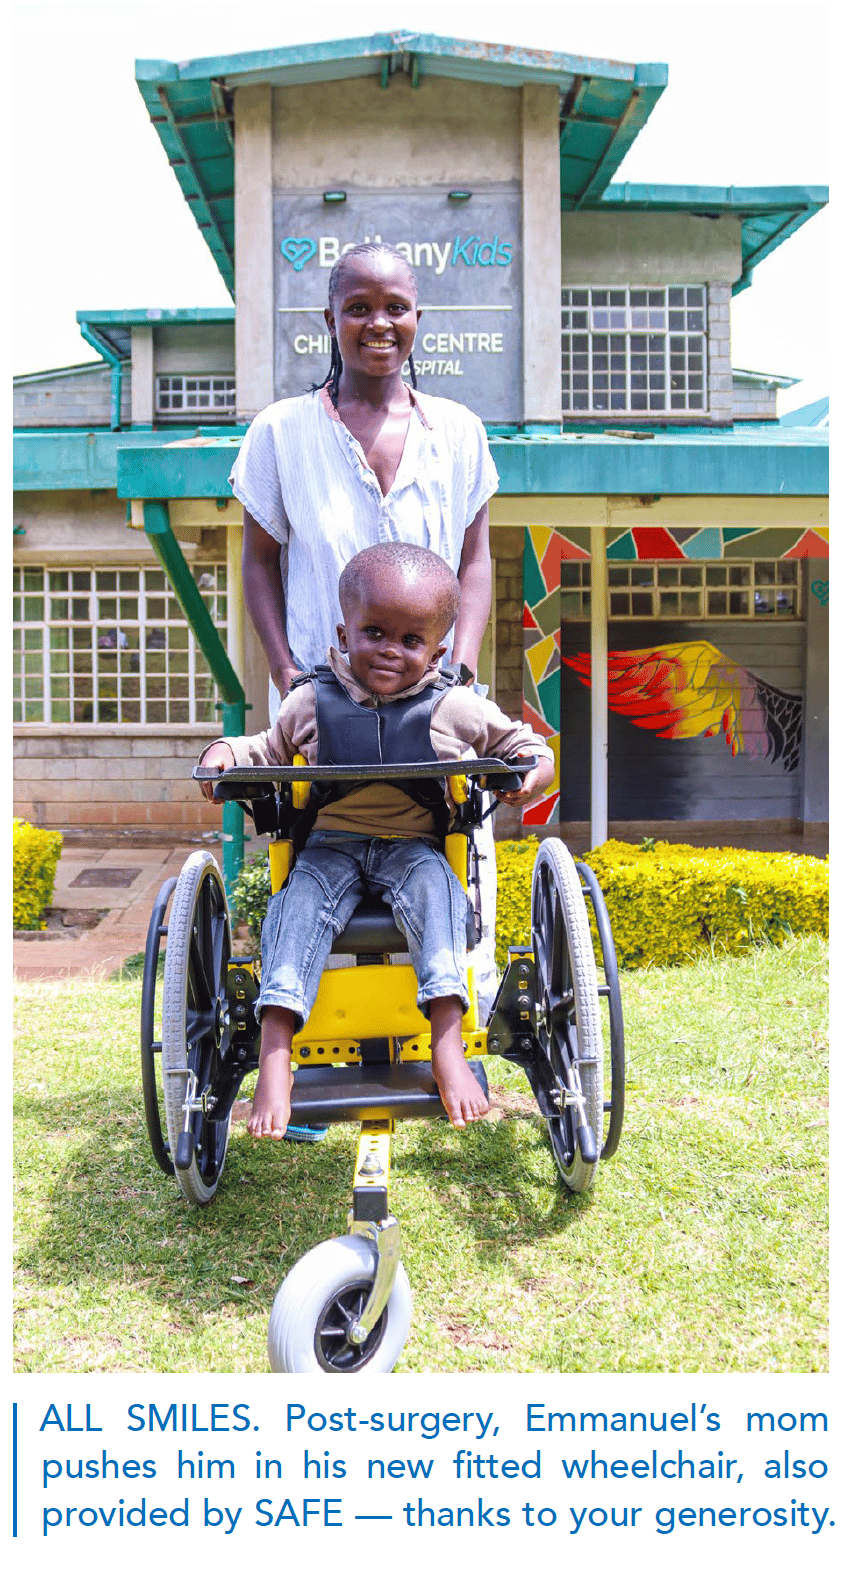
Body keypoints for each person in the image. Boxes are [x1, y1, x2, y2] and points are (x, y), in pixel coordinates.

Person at [229, 239, 503, 1055]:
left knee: (452, 862)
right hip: (325, 705)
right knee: (314, 871)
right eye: (359, 307)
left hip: (432, 696)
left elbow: (478, 557)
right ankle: (311, 1051)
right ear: (330, 320)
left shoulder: (458, 430)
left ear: (419, 318)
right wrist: (286, 675)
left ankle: (450, 1047)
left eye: (395, 307)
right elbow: (259, 560)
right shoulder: (281, 431)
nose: (378, 322)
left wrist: (462, 666)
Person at [198, 543, 554, 1136]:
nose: (391, 649)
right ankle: (275, 1057)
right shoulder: (310, 700)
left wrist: (528, 774)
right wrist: (222, 756)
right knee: (294, 908)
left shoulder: (454, 708)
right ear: (344, 631)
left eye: (411, 641)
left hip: (413, 848)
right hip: (327, 849)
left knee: (439, 896)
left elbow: (521, 744)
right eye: (374, 632)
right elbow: (263, 749)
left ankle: (445, 1044)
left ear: (438, 651)